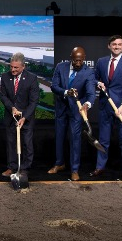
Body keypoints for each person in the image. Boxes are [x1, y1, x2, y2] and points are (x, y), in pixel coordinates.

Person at [93, 35, 122, 182]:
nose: (116, 46)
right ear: (109, 46)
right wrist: (98, 83)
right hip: (105, 106)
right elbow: (93, 77)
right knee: (103, 139)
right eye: (114, 44)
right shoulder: (101, 62)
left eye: (119, 44)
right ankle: (100, 167)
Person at [48, 47, 96, 181]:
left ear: (84, 58)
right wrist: (65, 92)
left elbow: (91, 93)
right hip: (61, 108)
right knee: (59, 137)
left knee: (75, 139)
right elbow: (54, 86)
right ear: (71, 57)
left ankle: (74, 169)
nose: (78, 63)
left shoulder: (89, 73)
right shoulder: (61, 67)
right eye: (75, 60)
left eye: (81, 60)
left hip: (76, 110)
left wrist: (87, 104)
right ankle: (59, 164)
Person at [0, 52, 40, 177]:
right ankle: (12, 167)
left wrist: (24, 117)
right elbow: (3, 96)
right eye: (11, 67)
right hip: (10, 116)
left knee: (27, 143)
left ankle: (24, 168)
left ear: (23, 67)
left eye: (16, 67)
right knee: (11, 143)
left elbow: (34, 101)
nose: (12, 69)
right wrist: (11, 108)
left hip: (26, 118)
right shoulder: (5, 76)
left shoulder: (32, 78)